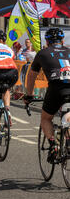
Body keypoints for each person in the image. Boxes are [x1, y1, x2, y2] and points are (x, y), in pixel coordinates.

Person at [23, 28, 70, 163]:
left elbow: (31, 76)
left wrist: (29, 95)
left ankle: (53, 144)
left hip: (57, 87)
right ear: (62, 40)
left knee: (46, 119)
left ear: (47, 41)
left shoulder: (42, 53)